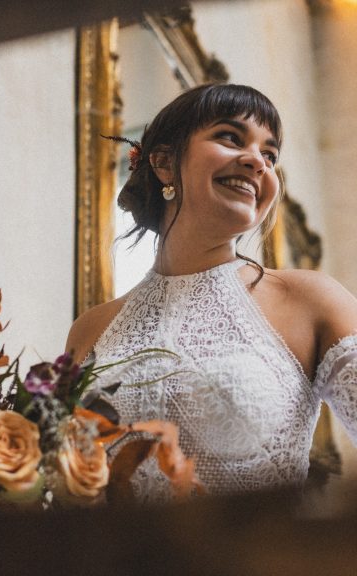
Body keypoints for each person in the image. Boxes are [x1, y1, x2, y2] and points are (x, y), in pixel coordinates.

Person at [67, 83, 357, 501]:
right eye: (230, 137)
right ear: (165, 164)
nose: (258, 161)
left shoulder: (309, 298)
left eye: (270, 155)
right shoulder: (89, 330)